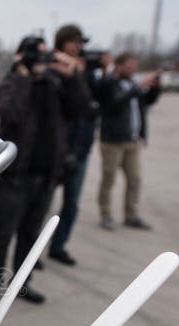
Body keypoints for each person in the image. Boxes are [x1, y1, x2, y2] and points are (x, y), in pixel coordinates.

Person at [0, 36, 90, 307]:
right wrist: (23, 75)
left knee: (31, 233)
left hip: (46, 174)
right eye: (37, 55)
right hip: (15, 175)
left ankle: (23, 283)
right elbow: (10, 112)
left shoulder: (55, 83)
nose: (43, 61)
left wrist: (72, 76)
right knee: (3, 233)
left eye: (46, 55)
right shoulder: (13, 83)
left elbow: (81, 109)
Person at [48, 25, 108, 266]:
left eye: (79, 42)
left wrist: (101, 71)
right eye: (72, 41)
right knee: (43, 206)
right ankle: (32, 248)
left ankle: (58, 245)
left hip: (81, 147)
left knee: (71, 203)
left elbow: (99, 102)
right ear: (62, 42)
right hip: (57, 147)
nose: (77, 46)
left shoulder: (86, 72)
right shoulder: (53, 69)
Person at [97, 51, 161, 231]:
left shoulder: (133, 84)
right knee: (108, 179)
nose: (133, 70)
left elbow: (147, 101)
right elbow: (113, 105)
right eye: (129, 66)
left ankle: (131, 214)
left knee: (135, 179)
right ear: (119, 66)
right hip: (113, 141)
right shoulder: (110, 83)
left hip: (132, 140)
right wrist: (138, 88)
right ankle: (106, 214)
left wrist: (155, 87)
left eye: (135, 66)